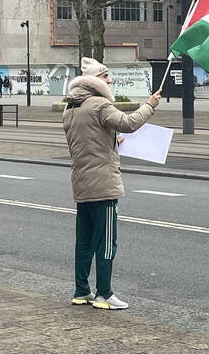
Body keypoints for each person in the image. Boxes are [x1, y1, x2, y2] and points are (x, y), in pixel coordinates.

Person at [63, 56, 161, 310]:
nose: (111, 80)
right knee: (106, 241)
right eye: (106, 76)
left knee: (84, 241)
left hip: (81, 182)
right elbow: (128, 123)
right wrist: (149, 105)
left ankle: (81, 290)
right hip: (103, 184)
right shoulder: (98, 104)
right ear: (96, 81)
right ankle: (104, 293)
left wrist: (110, 142)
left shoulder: (71, 108)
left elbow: (85, 142)